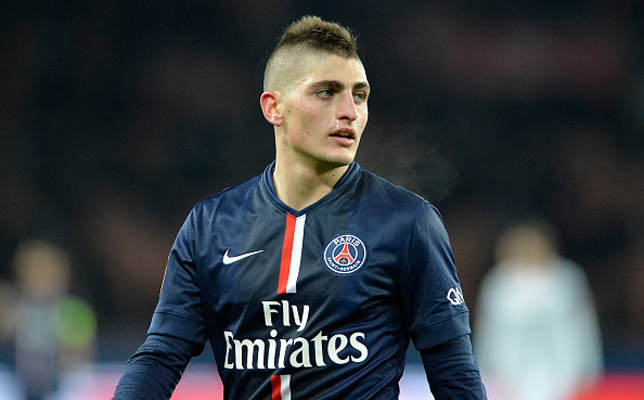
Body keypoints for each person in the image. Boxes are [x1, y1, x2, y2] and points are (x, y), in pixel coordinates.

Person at [113, 15, 487, 400]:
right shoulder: (211, 225)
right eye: (326, 92)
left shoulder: (406, 223)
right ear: (274, 107)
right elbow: (161, 356)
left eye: (359, 95)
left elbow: (455, 373)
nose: (349, 111)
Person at [474, 220, 602, 400]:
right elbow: (488, 333)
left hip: (564, 373)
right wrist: (482, 372)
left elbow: (585, 329)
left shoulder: (567, 278)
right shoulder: (499, 282)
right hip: (508, 376)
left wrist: (590, 370)